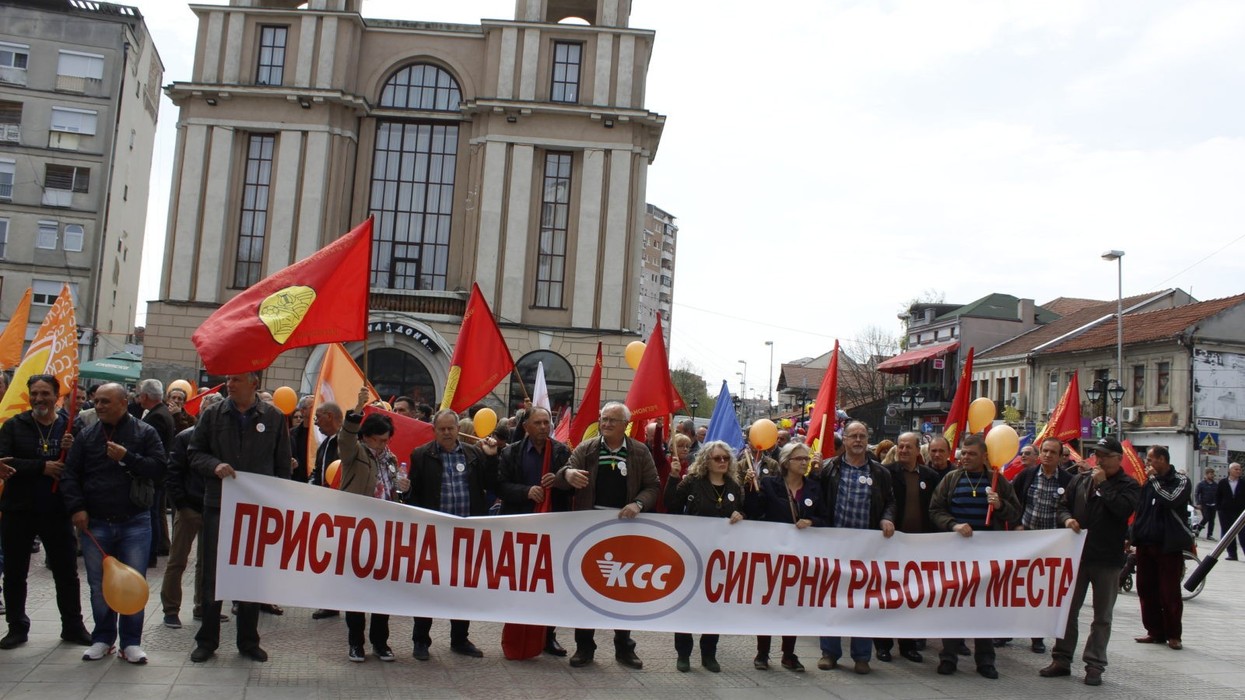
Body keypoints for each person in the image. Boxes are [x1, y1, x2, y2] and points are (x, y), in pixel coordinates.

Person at [188, 373, 292, 663]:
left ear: (253, 384)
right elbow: (194, 453)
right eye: (229, 380)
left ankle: (248, 641)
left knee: (251, 575)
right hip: (219, 505)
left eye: (237, 380)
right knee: (213, 574)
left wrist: (279, 504)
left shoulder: (273, 417)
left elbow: (283, 464)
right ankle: (207, 640)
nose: (230, 385)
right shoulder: (213, 414)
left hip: (256, 510)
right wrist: (214, 465)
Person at [60, 383, 166, 663]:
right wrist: (77, 508)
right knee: (100, 585)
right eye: (97, 401)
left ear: (123, 402)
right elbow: (71, 474)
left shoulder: (145, 432)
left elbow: (159, 468)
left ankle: (131, 642)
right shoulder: (87, 435)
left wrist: (127, 457)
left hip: (135, 522)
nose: (99, 406)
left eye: (106, 401)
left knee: (133, 583)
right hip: (95, 523)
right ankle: (103, 637)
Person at [554, 401, 659, 670]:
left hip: (625, 531)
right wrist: (569, 474)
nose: (606, 423)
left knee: (623, 592)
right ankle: (584, 647)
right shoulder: (587, 448)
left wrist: (638, 504)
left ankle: (624, 648)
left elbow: (653, 486)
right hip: (589, 530)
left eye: (613, 420)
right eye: (604, 419)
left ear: (626, 425)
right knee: (586, 587)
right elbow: (562, 474)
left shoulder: (639, 451)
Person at [0, 374, 92, 649]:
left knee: (66, 572)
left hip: (57, 510)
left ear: (56, 396)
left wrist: (73, 449)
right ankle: (17, 627)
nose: (39, 398)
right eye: (35, 393)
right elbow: (5, 461)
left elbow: (83, 464)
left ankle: (73, 626)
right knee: (15, 572)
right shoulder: (15, 426)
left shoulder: (69, 425)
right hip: (19, 510)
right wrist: (42, 467)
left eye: (45, 393)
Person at [1039, 436, 1140, 687]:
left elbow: (1122, 511)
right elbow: (1062, 506)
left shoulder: (1128, 485)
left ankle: (1094, 664)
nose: (1100, 460)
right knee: (1068, 610)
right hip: (1078, 556)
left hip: (1108, 559)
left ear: (1119, 459)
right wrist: (1066, 520)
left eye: (1105, 456)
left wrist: (1104, 486)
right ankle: (1062, 658)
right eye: (1098, 455)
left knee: (1102, 616)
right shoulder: (1080, 480)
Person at [403, 409, 498, 660]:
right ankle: (421, 640)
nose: (446, 433)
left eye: (450, 428)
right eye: (441, 429)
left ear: (458, 429)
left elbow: (490, 484)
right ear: (434, 430)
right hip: (434, 533)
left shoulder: (474, 454)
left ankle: (460, 638)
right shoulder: (421, 455)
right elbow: (414, 495)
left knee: (462, 587)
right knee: (428, 588)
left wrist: (490, 458)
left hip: (466, 533)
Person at [929, 433, 1021, 679]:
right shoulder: (951, 479)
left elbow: (1016, 514)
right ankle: (948, 657)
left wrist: (1001, 506)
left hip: (988, 557)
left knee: (984, 609)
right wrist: (953, 525)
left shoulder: (998, 481)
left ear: (984, 456)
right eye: (963, 453)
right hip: (957, 555)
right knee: (953, 606)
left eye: (971, 454)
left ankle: (986, 661)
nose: (965, 458)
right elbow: (935, 509)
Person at [816, 421, 895, 675]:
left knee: (864, 602)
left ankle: (862, 656)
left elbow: (891, 501)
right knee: (832, 600)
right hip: (834, 545)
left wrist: (887, 517)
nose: (858, 440)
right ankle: (829, 652)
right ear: (845, 440)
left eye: (863, 436)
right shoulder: (829, 468)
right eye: (853, 436)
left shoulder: (880, 473)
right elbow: (815, 497)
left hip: (866, 547)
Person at [339, 389, 408, 663]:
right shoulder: (354, 453)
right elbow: (345, 435)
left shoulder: (390, 459)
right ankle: (356, 643)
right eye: (378, 440)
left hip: (385, 530)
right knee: (357, 590)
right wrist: (357, 406)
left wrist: (404, 487)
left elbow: (393, 491)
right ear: (366, 437)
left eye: (386, 440)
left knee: (382, 590)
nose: (382, 444)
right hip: (358, 528)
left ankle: (380, 642)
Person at [495, 406, 570, 655]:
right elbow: (501, 486)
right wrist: (526, 491)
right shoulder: (510, 453)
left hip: (551, 528)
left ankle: (548, 636)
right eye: (537, 423)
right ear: (525, 426)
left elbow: (571, 489)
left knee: (549, 585)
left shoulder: (560, 452)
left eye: (546, 423)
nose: (543, 427)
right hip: (519, 527)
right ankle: (515, 635)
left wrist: (560, 481)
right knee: (518, 584)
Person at [664, 441, 744, 673]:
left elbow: (742, 511)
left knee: (713, 606)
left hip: (720, 557)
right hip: (692, 553)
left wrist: (741, 514)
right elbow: (671, 504)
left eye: (725, 458)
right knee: (687, 603)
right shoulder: (692, 483)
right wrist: (672, 477)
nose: (721, 462)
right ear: (706, 461)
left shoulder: (734, 486)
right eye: (717, 458)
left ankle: (709, 654)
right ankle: (684, 654)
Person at [745, 441, 825, 672]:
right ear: (786, 462)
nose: (804, 463)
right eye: (799, 459)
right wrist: (751, 487)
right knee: (768, 603)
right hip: (774, 553)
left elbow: (825, 517)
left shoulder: (813, 488)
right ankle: (762, 653)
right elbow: (755, 512)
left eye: (806, 459)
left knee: (793, 605)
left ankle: (789, 654)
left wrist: (812, 521)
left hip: (802, 557)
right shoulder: (770, 485)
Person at [162, 392, 224, 629]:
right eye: (207, 412)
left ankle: (203, 606)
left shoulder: (222, 441)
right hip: (189, 507)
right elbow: (173, 474)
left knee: (208, 563)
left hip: (213, 508)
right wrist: (182, 506)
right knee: (178, 560)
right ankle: (170, 609)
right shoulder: (185, 437)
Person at [875, 432, 938, 663]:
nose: (903, 451)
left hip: (919, 546)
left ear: (917, 449)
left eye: (907, 447)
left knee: (911, 598)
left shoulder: (929, 476)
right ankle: (883, 645)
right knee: (886, 596)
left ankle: (908, 645)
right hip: (891, 544)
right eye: (900, 447)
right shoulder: (886, 473)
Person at [1007, 437, 1073, 654]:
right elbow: (1012, 501)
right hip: (1025, 540)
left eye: (1053, 452)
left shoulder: (1067, 480)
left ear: (1060, 457)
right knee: (1015, 588)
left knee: (1041, 592)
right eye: (1044, 451)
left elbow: (1069, 509)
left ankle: (1037, 636)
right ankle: (1006, 631)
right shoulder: (1026, 476)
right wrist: (1016, 525)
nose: (1047, 455)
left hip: (1051, 544)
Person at [1132, 445, 1191, 650]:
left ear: (1163, 460)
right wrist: (1132, 535)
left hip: (1168, 545)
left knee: (1169, 592)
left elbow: (1172, 499)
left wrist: (1155, 480)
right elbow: (1142, 509)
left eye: (1151, 459)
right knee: (1146, 590)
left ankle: (1174, 634)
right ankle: (1154, 631)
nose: (1148, 463)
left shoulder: (1180, 480)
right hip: (1145, 542)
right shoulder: (1149, 483)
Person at [136, 378, 175, 566]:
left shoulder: (157, 416)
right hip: (160, 472)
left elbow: (153, 447)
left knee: (152, 514)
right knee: (155, 513)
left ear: (145, 396)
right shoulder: (162, 412)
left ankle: (151, 552)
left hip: (155, 474)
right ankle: (155, 548)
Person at [1215, 463, 1245, 558]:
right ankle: (1232, 554)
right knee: (1228, 533)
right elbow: (1218, 496)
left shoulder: (1243, 483)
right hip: (1225, 512)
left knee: (1243, 533)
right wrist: (1219, 508)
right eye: (1236, 469)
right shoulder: (1222, 482)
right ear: (1230, 470)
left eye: (1239, 469)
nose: (1238, 471)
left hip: (1240, 512)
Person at [1194, 467, 1218, 539]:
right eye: (1211, 474)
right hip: (1204, 504)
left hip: (1213, 504)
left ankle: (1210, 535)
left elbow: (1218, 494)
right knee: (1206, 518)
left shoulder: (1215, 484)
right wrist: (1198, 503)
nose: (1212, 475)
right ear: (1207, 475)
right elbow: (1197, 493)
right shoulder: (1201, 484)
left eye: (1213, 474)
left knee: (1212, 520)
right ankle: (1198, 529)